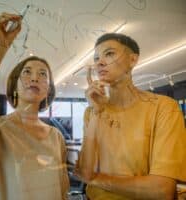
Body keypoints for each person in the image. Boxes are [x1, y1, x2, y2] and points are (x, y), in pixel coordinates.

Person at [0, 13, 69, 200]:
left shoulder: (56, 136)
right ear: (14, 85)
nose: (34, 78)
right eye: (27, 72)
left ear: (48, 90)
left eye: (43, 74)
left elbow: (62, 188)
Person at [75, 33, 186, 199]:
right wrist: (97, 111)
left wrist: (97, 179)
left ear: (132, 60)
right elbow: (83, 171)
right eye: (96, 58)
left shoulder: (163, 107)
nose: (100, 62)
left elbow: (162, 191)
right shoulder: (92, 112)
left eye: (110, 53)